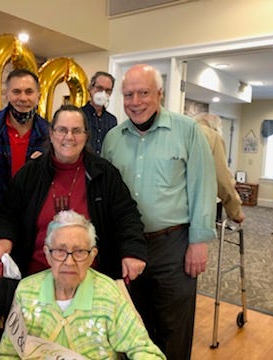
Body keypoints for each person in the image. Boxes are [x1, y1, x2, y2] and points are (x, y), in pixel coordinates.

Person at [102, 64, 217, 360]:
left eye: (144, 93)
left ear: (160, 94)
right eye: (129, 94)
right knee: (131, 324)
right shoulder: (113, 139)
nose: (135, 101)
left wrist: (198, 242)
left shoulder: (187, 130)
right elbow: (105, 195)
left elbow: (203, 186)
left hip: (174, 246)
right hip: (127, 246)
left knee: (173, 326)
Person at [0, 104, 147, 281]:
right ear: (51, 133)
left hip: (90, 278)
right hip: (36, 276)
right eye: (62, 130)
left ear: (86, 136)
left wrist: (133, 250)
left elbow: (126, 215)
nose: (69, 137)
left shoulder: (105, 174)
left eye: (77, 131)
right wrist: (2, 237)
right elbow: (7, 214)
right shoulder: (30, 173)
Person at [0, 210, 166, 359]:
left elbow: (144, 351)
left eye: (80, 252)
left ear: (92, 256)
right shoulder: (27, 291)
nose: (69, 262)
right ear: (47, 253)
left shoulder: (107, 294)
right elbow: (7, 354)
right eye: (60, 251)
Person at [0, 68, 49, 210]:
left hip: (34, 214)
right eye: (16, 92)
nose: (23, 98)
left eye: (29, 92)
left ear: (39, 96)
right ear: (6, 95)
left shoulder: (51, 135)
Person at [194, 112, 245, 223]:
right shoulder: (212, 136)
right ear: (216, 126)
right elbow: (222, 178)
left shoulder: (180, 131)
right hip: (195, 204)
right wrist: (235, 211)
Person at [81, 71, 118, 155]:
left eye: (108, 90)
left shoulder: (112, 120)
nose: (103, 93)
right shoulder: (78, 115)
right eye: (99, 88)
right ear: (90, 88)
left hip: (102, 166)